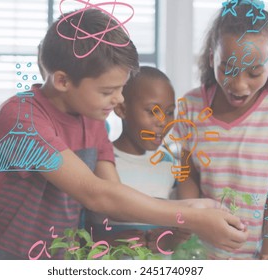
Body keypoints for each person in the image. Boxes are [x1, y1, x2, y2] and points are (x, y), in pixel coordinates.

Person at [0, 8, 248, 260]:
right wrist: (188, 217)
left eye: (121, 88)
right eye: (107, 91)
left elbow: (112, 196)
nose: (118, 100)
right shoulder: (22, 119)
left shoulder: (92, 118)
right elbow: (96, 194)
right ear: (62, 80)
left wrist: (195, 206)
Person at [175, 3, 268, 259]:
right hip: (202, 249)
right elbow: (187, 176)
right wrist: (189, 230)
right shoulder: (191, 106)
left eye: (254, 71)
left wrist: (267, 254)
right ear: (212, 56)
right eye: (227, 69)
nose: (239, 85)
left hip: (259, 252)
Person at [86, 66, 204, 253]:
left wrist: (168, 241)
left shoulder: (170, 165)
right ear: (122, 109)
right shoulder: (99, 163)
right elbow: (77, 230)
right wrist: (108, 243)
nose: (163, 122)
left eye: (169, 112)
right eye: (151, 111)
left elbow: (178, 234)